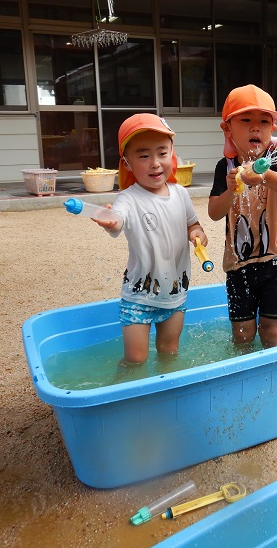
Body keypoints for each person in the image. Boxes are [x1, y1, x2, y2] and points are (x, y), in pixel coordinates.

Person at [94, 113, 208, 366]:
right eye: (144, 156)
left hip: (175, 293)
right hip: (138, 295)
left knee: (169, 351)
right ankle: (123, 392)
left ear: (172, 154)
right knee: (136, 358)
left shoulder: (180, 194)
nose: (155, 163)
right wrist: (111, 221)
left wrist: (197, 234)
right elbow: (118, 219)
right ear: (127, 163)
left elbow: (193, 223)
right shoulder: (128, 198)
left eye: (162, 153)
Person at [208, 85, 277, 347]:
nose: (255, 128)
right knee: (242, 334)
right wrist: (231, 190)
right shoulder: (224, 167)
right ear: (227, 128)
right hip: (239, 263)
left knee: (272, 330)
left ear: (273, 129)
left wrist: (264, 176)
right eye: (245, 120)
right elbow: (215, 213)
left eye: (263, 122)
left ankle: (274, 379)